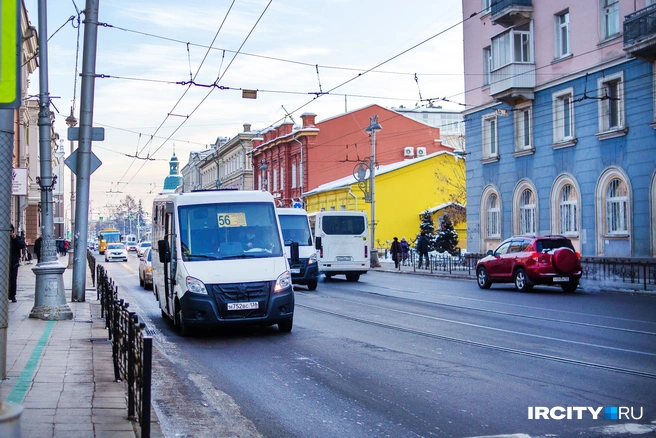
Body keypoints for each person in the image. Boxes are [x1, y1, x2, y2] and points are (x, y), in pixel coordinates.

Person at [9, 225, 26, 302]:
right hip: (4, 262)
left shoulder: (17, 238)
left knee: (13, 279)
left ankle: (12, 295)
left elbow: (22, 245)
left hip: (13, 262)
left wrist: (15, 238)